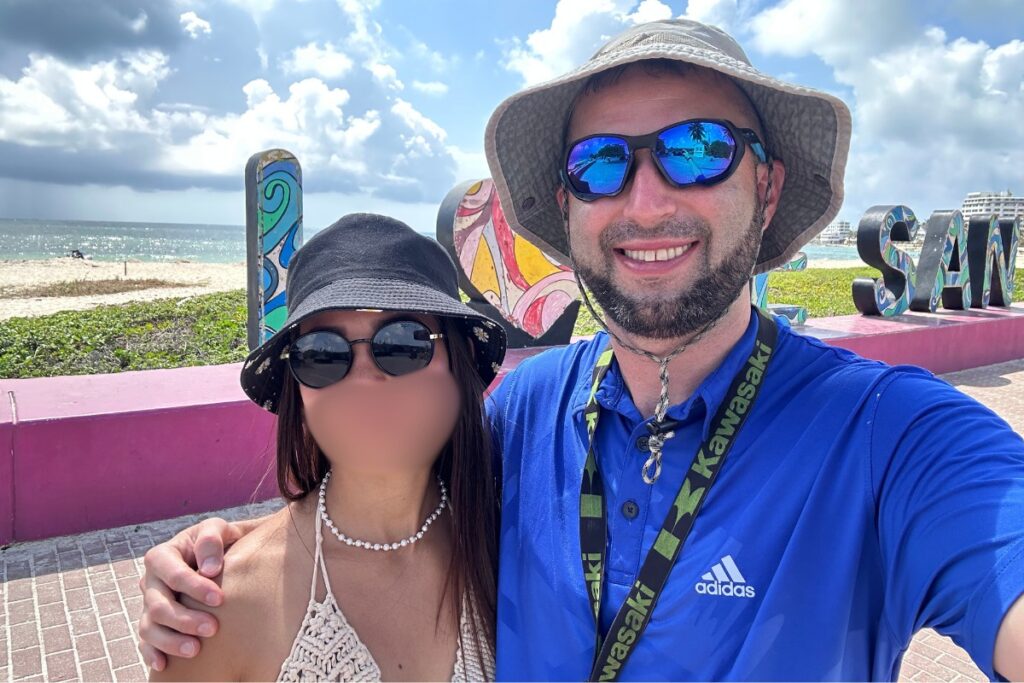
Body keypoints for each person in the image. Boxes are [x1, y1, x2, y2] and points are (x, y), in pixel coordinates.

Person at [137, 19, 1024, 681]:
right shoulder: (524, 410)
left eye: (697, 149)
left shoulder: (894, 437)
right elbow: (381, 483)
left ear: (767, 181)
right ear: (567, 208)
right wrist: (222, 559)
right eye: (601, 164)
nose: (643, 201)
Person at [147, 213, 504, 681]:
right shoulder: (219, 604)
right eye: (322, 353)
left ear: (458, 363)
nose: (364, 382)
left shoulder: (509, 543)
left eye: (403, 342)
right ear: (298, 388)